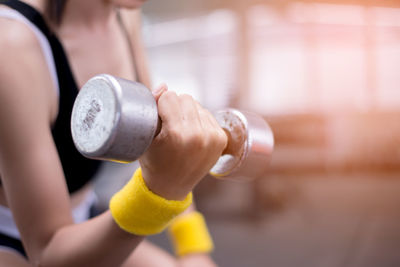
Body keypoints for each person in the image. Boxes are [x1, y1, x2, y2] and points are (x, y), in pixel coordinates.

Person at [0, 0, 227, 266]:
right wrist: (160, 192)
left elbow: (155, 130)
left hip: (84, 218)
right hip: (20, 242)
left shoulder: (124, 12)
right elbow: (48, 252)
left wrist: (193, 248)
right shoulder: (12, 46)